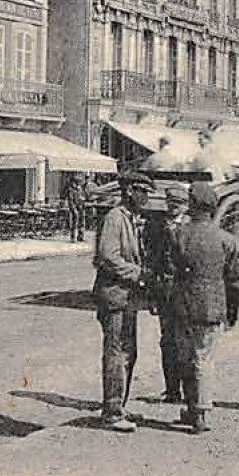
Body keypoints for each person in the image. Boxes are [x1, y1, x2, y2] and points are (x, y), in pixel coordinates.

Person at [166, 181, 239, 434]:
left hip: (183, 307)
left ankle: (192, 408)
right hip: (212, 308)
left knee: (186, 359)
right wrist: (232, 311)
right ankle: (200, 411)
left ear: (192, 206)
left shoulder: (179, 235)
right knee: (203, 359)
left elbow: (170, 271)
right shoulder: (227, 240)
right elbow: (233, 281)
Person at [92, 173, 154, 432]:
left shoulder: (129, 218)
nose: (146, 198)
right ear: (130, 190)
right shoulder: (115, 218)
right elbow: (108, 257)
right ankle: (112, 411)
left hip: (126, 296)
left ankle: (119, 406)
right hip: (114, 295)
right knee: (117, 353)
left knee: (129, 352)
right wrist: (138, 272)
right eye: (143, 192)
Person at [145, 184, 191, 404]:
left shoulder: (192, 228)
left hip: (186, 294)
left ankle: (190, 392)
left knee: (186, 343)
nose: (174, 208)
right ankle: (172, 390)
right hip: (165, 292)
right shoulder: (157, 227)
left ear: (185, 206)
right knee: (167, 342)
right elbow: (153, 262)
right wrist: (153, 296)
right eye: (171, 203)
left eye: (178, 204)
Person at [65, 174, 88, 243]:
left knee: (82, 222)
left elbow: (83, 197)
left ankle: (80, 236)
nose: (78, 184)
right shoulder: (71, 190)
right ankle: (73, 237)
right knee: (74, 222)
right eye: (77, 182)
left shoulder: (80, 189)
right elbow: (70, 200)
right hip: (74, 207)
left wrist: (83, 200)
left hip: (80, 207)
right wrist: (73, 209)